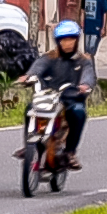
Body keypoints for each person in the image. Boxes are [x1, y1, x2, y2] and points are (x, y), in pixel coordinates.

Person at [33, 17, 93, 181]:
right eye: (64, 40)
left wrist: (84, 85)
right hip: (49, 98)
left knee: (79, 113)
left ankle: (70, 152)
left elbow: (88, 76)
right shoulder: (49, 57)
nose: (67, 43)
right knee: (30, 109)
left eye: (71, 39)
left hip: (72, 100)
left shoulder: (83, 60)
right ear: (58, 41)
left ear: (77, 41)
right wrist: (28, 77)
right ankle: (31, 145)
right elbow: (37, 68)